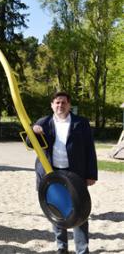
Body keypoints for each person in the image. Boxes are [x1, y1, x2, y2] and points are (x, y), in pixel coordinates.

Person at [31, 91, 97, 254]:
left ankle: (82, 249)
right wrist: (34, 132)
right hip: (51, 174)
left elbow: (90, 149)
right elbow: (31, 144)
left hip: (75, 173)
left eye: (63, 102)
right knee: (57, 211)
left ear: (69, 105)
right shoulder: (43, 122)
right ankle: (62, 247)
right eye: (57, 103)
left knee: (80, 212)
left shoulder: (81, 123)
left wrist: (91, 174)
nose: (60, 105)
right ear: (52, 105)